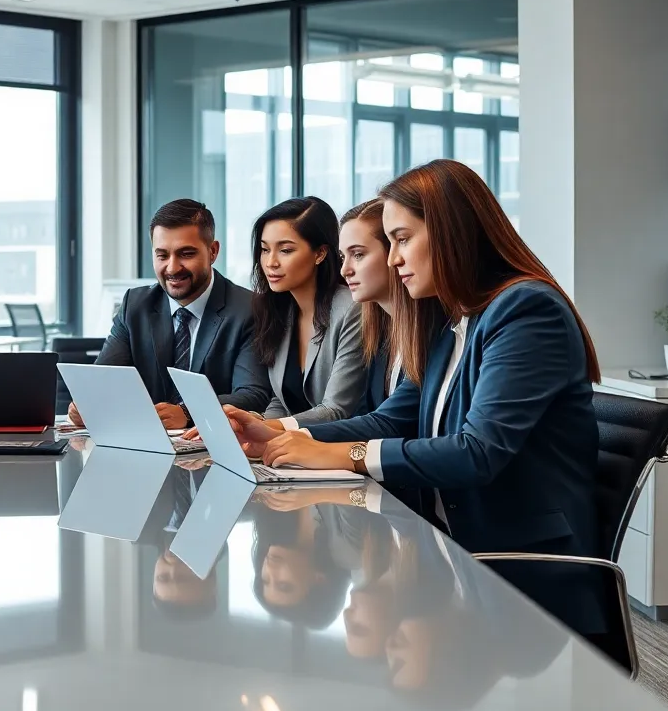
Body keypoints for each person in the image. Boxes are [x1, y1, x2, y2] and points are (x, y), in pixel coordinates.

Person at [235, 159, 602, 559]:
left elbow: (477, 452)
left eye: (402, 239)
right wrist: (282, 436)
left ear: (450, 234)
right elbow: (392, 419)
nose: (393, 259)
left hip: (518, 565)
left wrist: (347, 454)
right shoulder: (454, 320)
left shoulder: (524, 309)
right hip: (449, 548)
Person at [71, 199, 264, 430]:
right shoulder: (136, 305)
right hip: (147, 447)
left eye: (186, 254)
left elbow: (253, 394)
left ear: (212, 252)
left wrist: (188, 412)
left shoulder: (249, 308)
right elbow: (103, 380)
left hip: (214, 447)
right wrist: (88, 403)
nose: (172, 268)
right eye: (162, 256)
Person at [249, 196, 366, 427]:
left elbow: (337, 410)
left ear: (320, 253)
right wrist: (255, 425)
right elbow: (281, 401)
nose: (270, 262)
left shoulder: (351, 309)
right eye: (264, 250)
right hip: (292, 451)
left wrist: (264, 428)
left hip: (339, 449)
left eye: (285, 250)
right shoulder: (280, 309)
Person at [339, 199, 404, 415]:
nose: (345, 270)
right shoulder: (381, 333)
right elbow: (366, 416)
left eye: (358, 254)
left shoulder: (434, 333)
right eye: (343, 257)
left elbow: (387, 423)